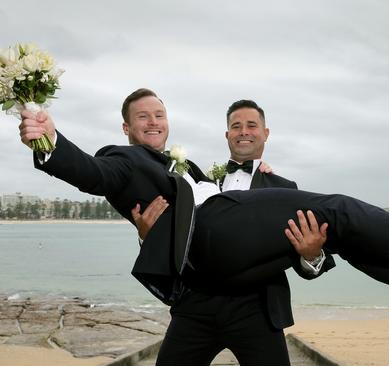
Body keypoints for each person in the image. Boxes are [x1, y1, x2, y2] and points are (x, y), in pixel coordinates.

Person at [18, 88, 389, 325]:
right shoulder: (126, 160)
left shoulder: (194, 171)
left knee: (344, 230)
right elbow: (92, 173)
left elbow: (312, 268)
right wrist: (49, 142)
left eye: (160, 115)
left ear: (263, 135)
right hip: (206, 275)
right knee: (343, 209)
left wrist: (311, 254)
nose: (153, 122)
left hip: (252, 293)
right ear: (125, 129)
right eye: (142, 117)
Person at [131, 99, 336, 365]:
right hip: (196, 305)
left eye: (252, 125)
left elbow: (305, 259)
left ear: (266, 133)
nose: (244, 131)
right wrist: (146, 236)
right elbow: (177, 239)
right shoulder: (199, 182)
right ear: (227, 134)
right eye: (236, 126)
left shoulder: (285, 188)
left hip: (257, 309)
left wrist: (311, 254)